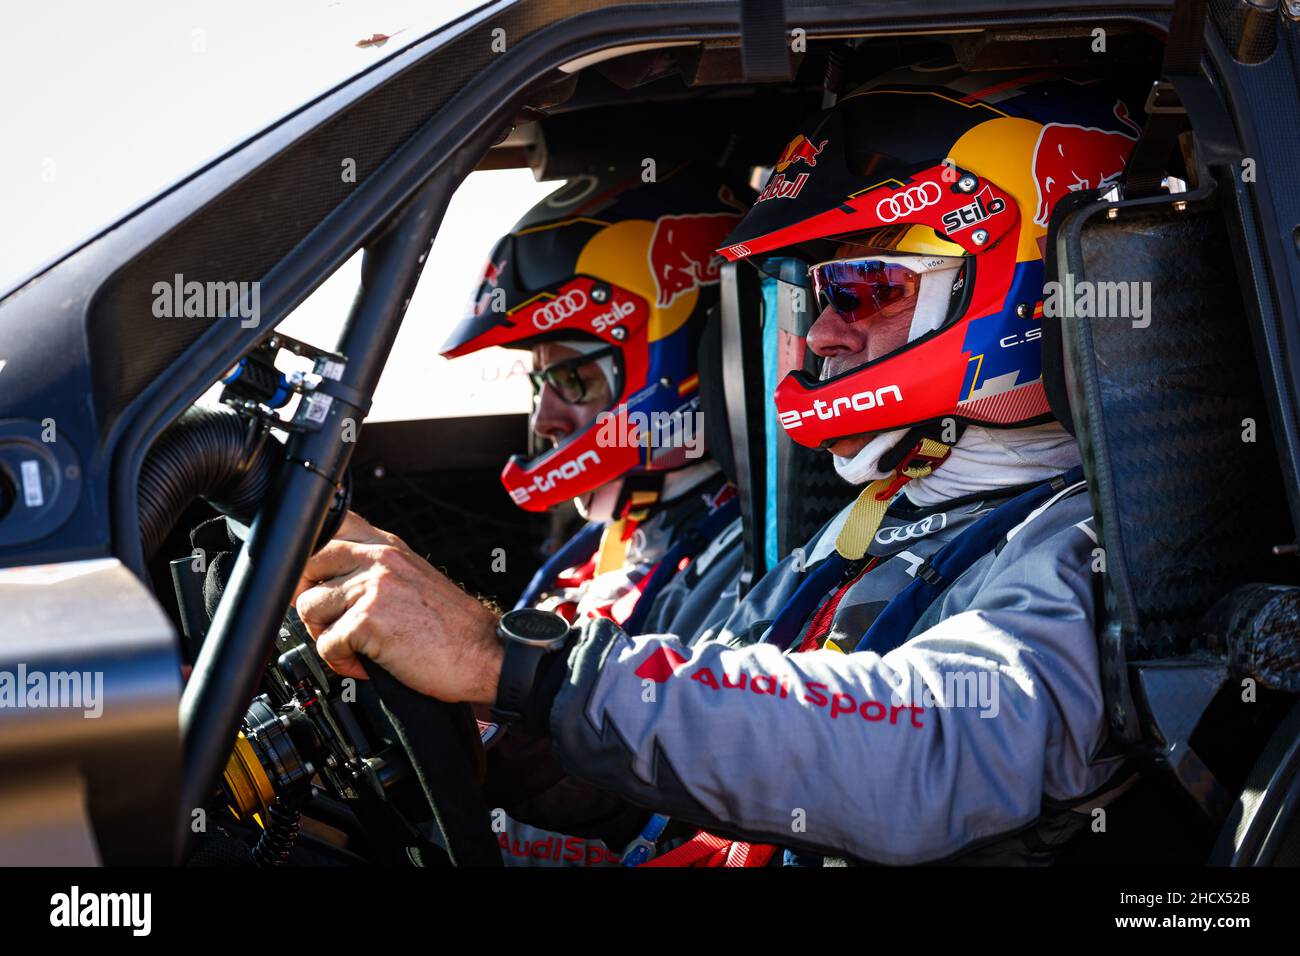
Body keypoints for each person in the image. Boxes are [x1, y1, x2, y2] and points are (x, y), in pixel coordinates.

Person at [295, 63, 1145, 865]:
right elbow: (742, 735)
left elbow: (931, 747)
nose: (819, 334)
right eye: (817, 296)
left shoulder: (1087, 547)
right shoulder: (874, 519)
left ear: (1029, 289)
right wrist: (539, 753)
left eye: (866, 289)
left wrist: (508, 662)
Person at [435, 164, 750, 864]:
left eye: (575, 378)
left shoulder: (750, 559)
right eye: (539, 380)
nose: (545, 418)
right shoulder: (603, 540)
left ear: (682, 362)